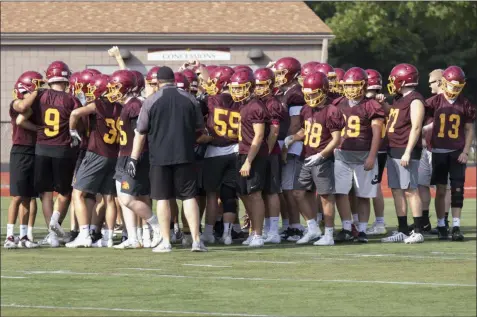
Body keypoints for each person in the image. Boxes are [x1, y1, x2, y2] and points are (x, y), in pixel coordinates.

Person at [129, 66, 207, 252]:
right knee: (188, 198)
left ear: (157, 82)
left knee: (163, 198)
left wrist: (133, 157)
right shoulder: (190, 99)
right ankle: (196, 240)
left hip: (159, 156)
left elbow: (140, 132)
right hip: (185, 154)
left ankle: (166, 241)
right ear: (174, 80)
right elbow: (200, 127)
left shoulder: (150, 101)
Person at [15, 61, 78, 248]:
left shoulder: (40, 95)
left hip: (42, 148)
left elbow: (20, 119)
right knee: (66, 192)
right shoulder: (71, 99)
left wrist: (40, 129)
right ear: (65, 78)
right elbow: (80, 124)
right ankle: (55, 224)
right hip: (64, 149)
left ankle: (52, 235)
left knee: (46, 194)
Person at [284, 71, 345, 246]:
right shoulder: (306, 109)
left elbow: (336, 139)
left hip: (322, 158)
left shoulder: (332, 110)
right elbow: (307, 130)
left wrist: (322, 155)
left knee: (326, 196)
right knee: (299, 193)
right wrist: (294, 137)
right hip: (307, 156)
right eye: (308, 94)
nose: (311, 97)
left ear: (324, 91)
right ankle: (312, 228)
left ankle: (329, 234)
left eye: (314, 93)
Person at [66, 73, 122, 248]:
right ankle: (108, 238)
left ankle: (84, 235)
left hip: (96, 153)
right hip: (115, 155)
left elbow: (75, 113)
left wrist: (73, 132)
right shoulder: (120, 107)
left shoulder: (98, 104)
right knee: (109, 198)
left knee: (78, 193)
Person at [333, 67, 385, 243]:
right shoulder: (338, 104)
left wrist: (372, 156)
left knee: (363, 195)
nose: (351, 89)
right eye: (348, 85)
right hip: (342, 155)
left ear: (363, 86)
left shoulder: (372, 105)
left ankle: (362, 230)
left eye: (355, 85)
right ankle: (347, 227)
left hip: (363, 155)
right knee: (340, 192)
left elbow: (377, 133)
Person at [425, 66, 475, 241]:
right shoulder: (433, 102)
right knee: (440, 190)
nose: (453, 90)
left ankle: (456, 226)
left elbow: (469, 129)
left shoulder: (465, 103)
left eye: (457, 86)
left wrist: (465, 151)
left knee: (458, 190)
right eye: (451, 85)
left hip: (456, 152)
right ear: (444, 83)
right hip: (438, 151)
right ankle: (441, 225)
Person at [382, 63, 425, 244]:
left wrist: (408, 152)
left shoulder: (415, 99)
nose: (392, 82)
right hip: (393, 149)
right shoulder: (399, 99)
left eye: (394, 79)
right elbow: (393, 116)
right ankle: (403, 229)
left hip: (405, 150)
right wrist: (382, 103)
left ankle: (418, 230)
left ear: (403, 79)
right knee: (397, 190)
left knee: (410, 190)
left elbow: (416, 127)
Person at [231, 70, 270, 248]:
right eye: (235, 88)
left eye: (240, 88)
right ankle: (253, 230)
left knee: (255, 194)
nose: (237, 92)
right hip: (242, 152)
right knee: (243, 193)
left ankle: (259, 234)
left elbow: (259, 135)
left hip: (254, 155)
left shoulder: (256, 107)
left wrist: (249, 160)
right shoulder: (243, 105)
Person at [5, 72, 44, 249]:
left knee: (30, 197)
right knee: (18, 196)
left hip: (36, 150)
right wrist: (36, 91)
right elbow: (21, 110)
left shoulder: (37, 107)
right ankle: (9, 236)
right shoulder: (16, 103)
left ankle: (24, 236)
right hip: (20, 151)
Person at [418, 69, 452, 235]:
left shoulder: (449, 101)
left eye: (431, 81)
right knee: (422, 184)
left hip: (443, 149)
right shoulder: (431, 101)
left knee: (443, 187)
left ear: (439, 82)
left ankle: (443, 221)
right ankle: (424, 221)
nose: (429, 84)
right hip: (427, 148)